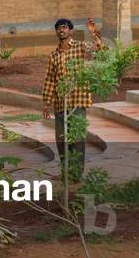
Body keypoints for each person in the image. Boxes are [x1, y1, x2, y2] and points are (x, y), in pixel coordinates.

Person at [42, 17, 105, 181]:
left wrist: (93, 34)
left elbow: (100, 52)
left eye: (64, 27)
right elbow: (50, 79)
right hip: (60, 103)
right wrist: (46, 103)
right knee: (61, 141)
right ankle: (65, 173)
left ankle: (76, 175)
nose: (61, 30)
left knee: (77, 139)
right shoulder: (53, 55)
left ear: (70, 30)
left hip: (77, 101)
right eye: (58, 28)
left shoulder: (80, 47)